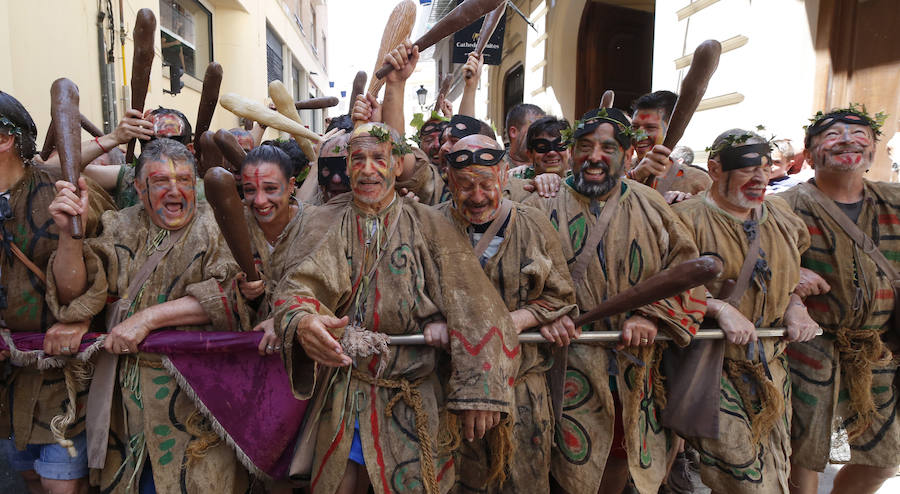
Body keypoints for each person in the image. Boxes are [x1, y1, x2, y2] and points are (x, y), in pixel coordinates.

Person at [273, 122, 518, 494]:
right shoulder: (322, 221)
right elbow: (299, 286)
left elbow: (477, 306)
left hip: (414, 395)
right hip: (348, 392)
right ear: (347, 165)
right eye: (358, 159)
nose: (368, 169)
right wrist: (303, 321)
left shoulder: (432, 224)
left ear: (395, 164)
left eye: (378, 158)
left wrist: (481, 390)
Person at [46, 137, 257, 493]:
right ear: (140, 189)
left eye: (185, 182)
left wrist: (147, 319)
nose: (175, 191)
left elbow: (232, 293)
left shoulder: (221, 225)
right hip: (124, 402)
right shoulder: (117, 225)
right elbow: (77, 294)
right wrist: (70, 237)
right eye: (160, 182)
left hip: (198, 400)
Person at [524, 107, 706, 494]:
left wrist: (652, 317)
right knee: (554, 464)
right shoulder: (539, 202)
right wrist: (544, 315)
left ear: (626, 154)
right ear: (571, 151)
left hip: (632, 367)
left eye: (608, 148)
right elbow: (511, 274)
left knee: (619, 462)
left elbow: (688, 270)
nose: (595, 157)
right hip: (561, 364)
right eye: (585, 146)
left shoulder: (651, 204)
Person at [673, 129, 819, 494]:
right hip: (713, 365)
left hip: (772, 365)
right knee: (743, 478)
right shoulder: (683, 219)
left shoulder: (782, 214)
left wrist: (795, 305)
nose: (759, 177)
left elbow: (789, 273)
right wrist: (717, 308)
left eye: (766, 167)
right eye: (746, 168)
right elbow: (662, 288)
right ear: (715, 168)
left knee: (775, 466)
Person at [432, 133, 578, 493]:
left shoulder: (533, 223)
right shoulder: (428, 225)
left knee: (523, 479)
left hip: (521, 389)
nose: (477, 196)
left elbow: (561, 295)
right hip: (448, 384)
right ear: (450, 180)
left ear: (504, 175)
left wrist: (522, 319)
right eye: (465, 185)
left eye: (486, 184)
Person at [778, 107, 900, 494]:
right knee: (804, 452)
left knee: (883, 456)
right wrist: (788, 274)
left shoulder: (895, 202)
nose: (847, 140)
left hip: (879, 348)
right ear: (809, 155)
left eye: (859, 133)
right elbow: (746, 262)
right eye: (832, 135)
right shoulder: (782, 208)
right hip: (808, 347)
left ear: (874, 150)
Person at [0, 91, 113, 494]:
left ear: (5, 139)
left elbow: (103, 278)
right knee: (28, 477)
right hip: (6, 383)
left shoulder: (62, 191)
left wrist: (69, 236)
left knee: (60, 486)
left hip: (60, 378)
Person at [626, 91, 712, 203]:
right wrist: (633, 176)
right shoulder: (617, 171)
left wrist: (685, 208)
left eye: (650, 127)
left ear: (672, 131)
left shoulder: (698, 182)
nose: (639, 136)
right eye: (635, 127)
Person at [505, 103, 546, 169]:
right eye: (536, 130)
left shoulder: (551, 163)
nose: (542, 137)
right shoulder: (497, 165)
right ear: (513, 132)